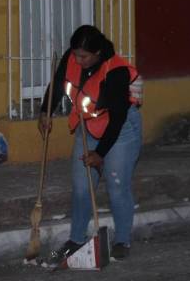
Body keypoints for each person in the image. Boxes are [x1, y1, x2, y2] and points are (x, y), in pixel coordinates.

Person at [38, 25, 143, 261]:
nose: (78, 60)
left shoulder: (115, 72)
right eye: (75, 54)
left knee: (117, 186)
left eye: (83, 56)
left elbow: (117, 120)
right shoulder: (72, 58)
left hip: (120, 130)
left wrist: (100, 153)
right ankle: (75, 240)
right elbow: (57, 84)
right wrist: (45, 111)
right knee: (82, 187)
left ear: (97, 52)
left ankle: (122, 241)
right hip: (88, 127)